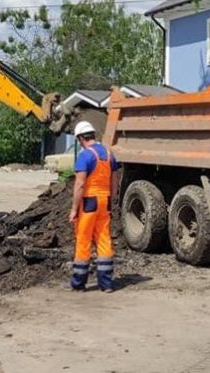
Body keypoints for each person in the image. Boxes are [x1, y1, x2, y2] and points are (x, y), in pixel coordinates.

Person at [69, 121, 119, 293]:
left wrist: (74, 209)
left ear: (81, 138)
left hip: (89, 202)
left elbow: (80, 185)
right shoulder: (108, 153)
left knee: (83, 240)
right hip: (105, 200)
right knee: (104, 239)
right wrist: (112, 199)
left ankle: (79, 283)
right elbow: (115, 180)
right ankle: (106, 284)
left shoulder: (84, 156)